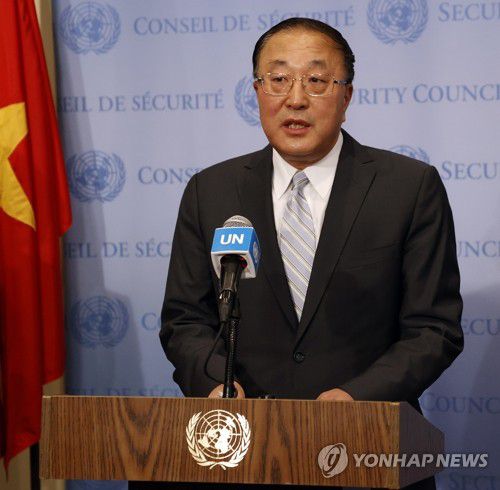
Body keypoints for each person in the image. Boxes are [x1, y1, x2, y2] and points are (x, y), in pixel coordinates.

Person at [159, 17, 463, 488]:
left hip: (367, 446)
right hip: (241, 451)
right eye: (278, 79)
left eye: (316, 81)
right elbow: (184, 320)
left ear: (347, 96)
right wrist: (216, 384)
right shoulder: (211, 191)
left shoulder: (408, 187)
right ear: (257, 91)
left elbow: (433, 329)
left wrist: (355, 397)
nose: (295, 98)